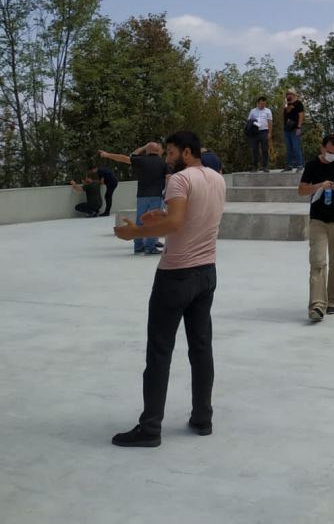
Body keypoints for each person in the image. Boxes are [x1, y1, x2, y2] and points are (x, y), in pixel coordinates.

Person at [110, 130, 227, 448]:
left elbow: (175, 225)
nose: (167, 158)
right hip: (206, 273)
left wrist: (136, 232)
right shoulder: (216, 178)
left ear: (187, 153)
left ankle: (150, 428)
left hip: (176, 274)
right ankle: (203, 417)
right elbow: (193, 217)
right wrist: (159, 216)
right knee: (201, 349)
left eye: (171, 152)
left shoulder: (178, 180)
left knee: (159, 352)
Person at [298, 135, 334, 321]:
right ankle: (317, 305)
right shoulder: (312, 165)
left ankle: (332, 301)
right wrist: (318, 186)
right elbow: (301, 190)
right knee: (317, 262)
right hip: (318, 220)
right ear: (322, 148)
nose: (333, 154)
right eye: (330, 151)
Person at [99, 142, 168, 255]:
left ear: (147, 151)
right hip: (157, 194)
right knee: (154, 221)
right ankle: (150, 247)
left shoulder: (140, 160)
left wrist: (107, 155)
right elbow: (169, 177)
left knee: (139, 221)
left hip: (142, 195)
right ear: (158, 151)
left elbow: (125, 157)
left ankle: (138, 246)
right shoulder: (162, 163)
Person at [246, 96, 273, 172]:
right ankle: (255, 167)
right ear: (257, 103)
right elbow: (249, 121)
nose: (262, 105)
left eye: (264, 104)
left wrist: (270, 133)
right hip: (255, 132)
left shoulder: (268, 111)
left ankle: (264, 166)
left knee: (265, 149)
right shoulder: (253, 111)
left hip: (264, 131)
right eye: (261, 104)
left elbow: (270, 122)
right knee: (254, 149)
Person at [282, 89, 305, 171]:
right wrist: (286, 105)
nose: (288, 95)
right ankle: (289, 165)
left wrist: (299, 127)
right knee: (289, 148)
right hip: (287, 129)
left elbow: (301, 116)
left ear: (294, 94)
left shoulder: (298, 103)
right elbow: (285, 113)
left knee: (296, 147)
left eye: (290, 94)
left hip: (295, 128)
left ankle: (300, 165)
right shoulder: (286, 104)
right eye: (287, 94)